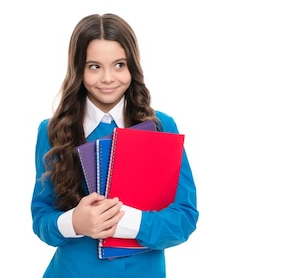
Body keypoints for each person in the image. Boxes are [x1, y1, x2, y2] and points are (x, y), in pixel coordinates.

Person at [31, 13, 199, 277]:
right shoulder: (52, 131)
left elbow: (185, 219)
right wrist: (74, 222)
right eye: (94, 66)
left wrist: (126, 221)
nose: (108, 78)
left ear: (132, 65)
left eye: (119, 64)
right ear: (79, 70)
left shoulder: (161, 127)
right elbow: (41, 219)